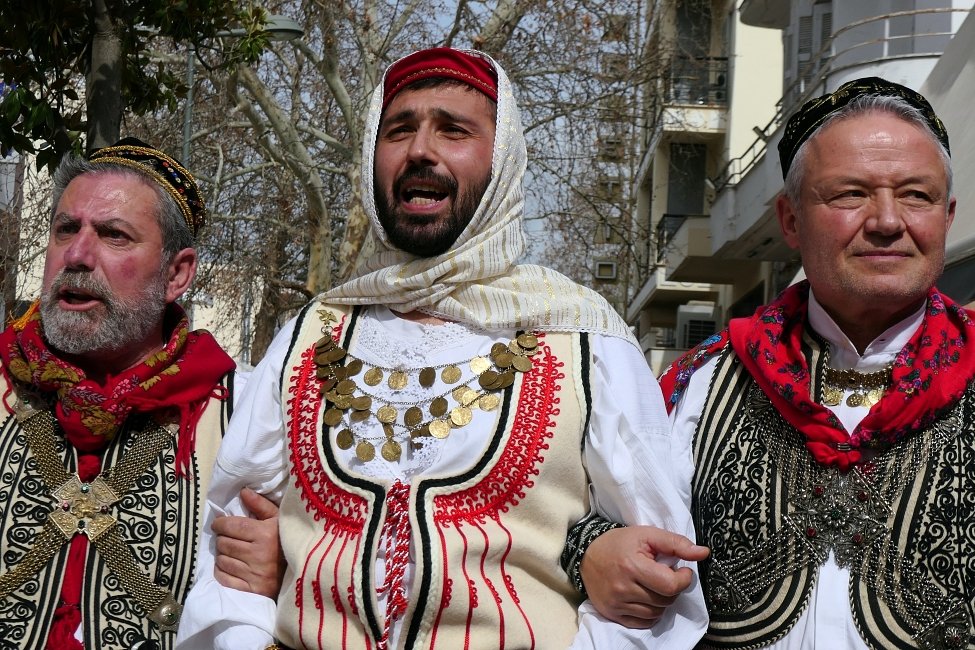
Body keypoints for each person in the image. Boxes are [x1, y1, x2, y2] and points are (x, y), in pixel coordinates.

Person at [174, 47, 709, 650]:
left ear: (502, 158)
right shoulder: (310, 333)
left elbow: (656, 578)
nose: (420, 150)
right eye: (399, 130)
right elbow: (232, 550)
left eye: (453, 130)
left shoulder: (587, 338)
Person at [570, 77, 975, 649]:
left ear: (948, 215)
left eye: (916, 195)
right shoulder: (701, 385)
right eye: (850, 194)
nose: (888, 220)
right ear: (789, 220)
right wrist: (591, 552)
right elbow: (592, 512)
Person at [0, 138, 279, 649]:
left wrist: (285, 571)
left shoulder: (247, 413)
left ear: (177, 274)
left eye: (114, 235)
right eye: (66, 229)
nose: (77, 255)